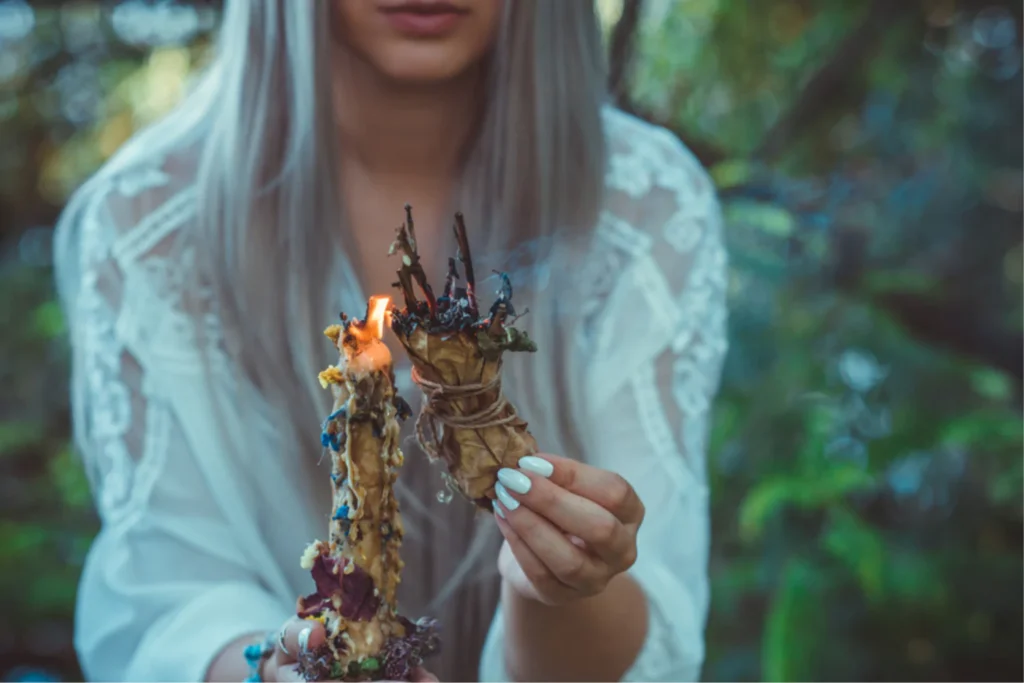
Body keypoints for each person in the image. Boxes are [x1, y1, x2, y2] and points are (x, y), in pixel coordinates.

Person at [54, 1, 728, 681]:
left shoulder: (644, 209)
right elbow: (172, 594)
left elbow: (650, 620)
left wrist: (554, 581)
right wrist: (276, 668)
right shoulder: (150, 225)